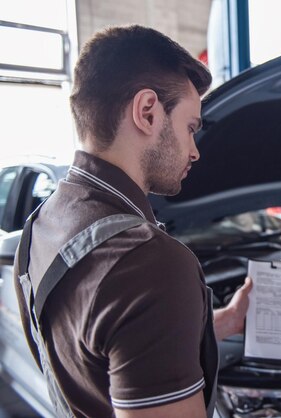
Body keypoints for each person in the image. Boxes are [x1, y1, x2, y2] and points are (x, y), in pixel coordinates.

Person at [13, 25, 251, 418]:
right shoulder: (149, 263)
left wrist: (222, 322)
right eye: (191, 128)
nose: (195, 152)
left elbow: (107, 350)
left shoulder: (43, 223)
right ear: (147, 112)